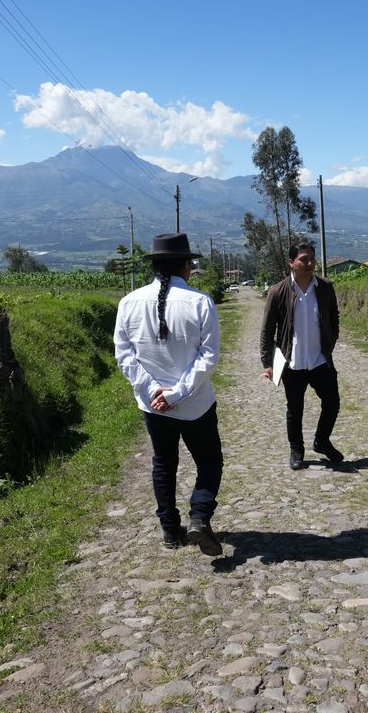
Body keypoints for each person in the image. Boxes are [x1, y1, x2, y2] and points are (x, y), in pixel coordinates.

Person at [114, 232, 224, 555]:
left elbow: (124, 356)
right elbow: (208, 357)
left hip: (153, 406)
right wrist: (177, 392)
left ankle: (170, 530)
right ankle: (199, 518)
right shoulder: (200, 302)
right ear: (186, 266)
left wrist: (153, 391)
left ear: (155, 266)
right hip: (195, 405)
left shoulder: (128, 303)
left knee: (164, 463)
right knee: (209, 461)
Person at [260, 241, 344, 470]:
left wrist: (330, 342)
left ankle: (322, 441)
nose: (309, 263)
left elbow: (333, 318)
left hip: (320, 360)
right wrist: (267, 362)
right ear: (291, 263)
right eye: (303, 259)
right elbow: (267, 330)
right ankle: (297, 450)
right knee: (295, 410)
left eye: (311, 259)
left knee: (332, 403)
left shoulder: (325, 287)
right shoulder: (278, 291)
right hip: (293, 363)